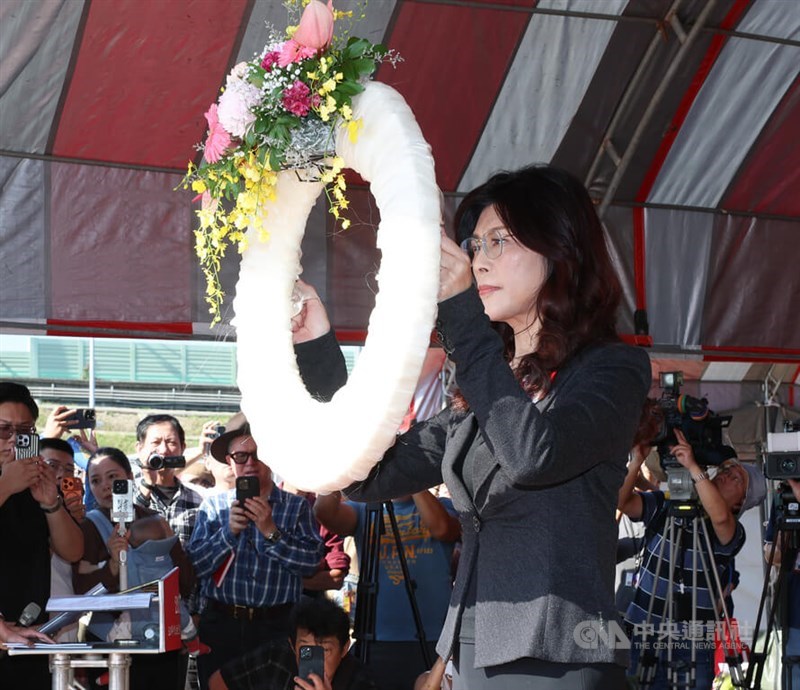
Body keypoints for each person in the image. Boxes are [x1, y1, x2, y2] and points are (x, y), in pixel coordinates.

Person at [292, 165, 652, 689]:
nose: (478, 259)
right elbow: (366, 475)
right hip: (474, 650)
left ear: (559, 248)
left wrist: (463, 316)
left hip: (561, 654)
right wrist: (319, 349)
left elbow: (533, 456)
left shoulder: (610, 369)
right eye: (474, 243)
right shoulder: (483, 389)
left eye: (498, 241)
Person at [617, 432, 767, 690]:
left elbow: (720, 518)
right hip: (643, 631)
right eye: (727, 469)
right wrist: (637, 460)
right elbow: (622, 502)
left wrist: (693, 468)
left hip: (692, 642)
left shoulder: (732, 531)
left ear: (741, 503)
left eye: (736, 478)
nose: (726, 474)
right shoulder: (666, 504)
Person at [186, 422, 326, 689]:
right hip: (221, 624)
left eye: (258, 454)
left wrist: (271, 532)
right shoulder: (214, 508)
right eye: (241, 456)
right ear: (230, 461)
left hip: (277, 625)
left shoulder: (295, 507)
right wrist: (228, 533)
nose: (250, 463)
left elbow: (311, 564)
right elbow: (194, 567)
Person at [74, 446, 196, 690]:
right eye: (95, 481)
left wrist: (168, 544)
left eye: (113, 477)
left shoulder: (155, 520)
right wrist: (112, 565)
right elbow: (81, 589)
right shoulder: (87, 526)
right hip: (112, 643)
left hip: (159, 641)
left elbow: (186, 582)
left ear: (130, 478)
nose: (106, 486)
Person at [314, 490, 460, 690]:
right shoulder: (365, 509)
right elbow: (324, 512)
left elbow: (442, 528)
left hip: (435, 639)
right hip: (377, 640)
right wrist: (343, 472)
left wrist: (408, 477)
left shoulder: (444, 506)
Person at [0, 381, 84, 687]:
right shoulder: (11, 484)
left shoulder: (32, 487)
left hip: (28, 637)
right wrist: (5, 486)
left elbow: (73, 551)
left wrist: (50, 503)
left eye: (24, 432)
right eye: (3, 430)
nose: (13, 441)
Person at [208, 598, 377, 690]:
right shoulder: (274, 658)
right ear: (292, 644)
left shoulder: (361, 682)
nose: (314, 658)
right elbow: (217, 682)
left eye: (325, 649)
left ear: (344, 648)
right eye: (305, 649)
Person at [134, 413, 204, 549]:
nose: (164, 450)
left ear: (182, 448)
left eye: (171, 442)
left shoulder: (196, 501)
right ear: (139, 448)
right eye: (156, 442)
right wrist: (147, 485)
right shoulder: (124, 490)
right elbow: (122, 530)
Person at [764, 478, 800, 689]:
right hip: (794, 611)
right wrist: (781, 543)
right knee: (793, 674)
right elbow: (771, 554)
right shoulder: (783, 498)